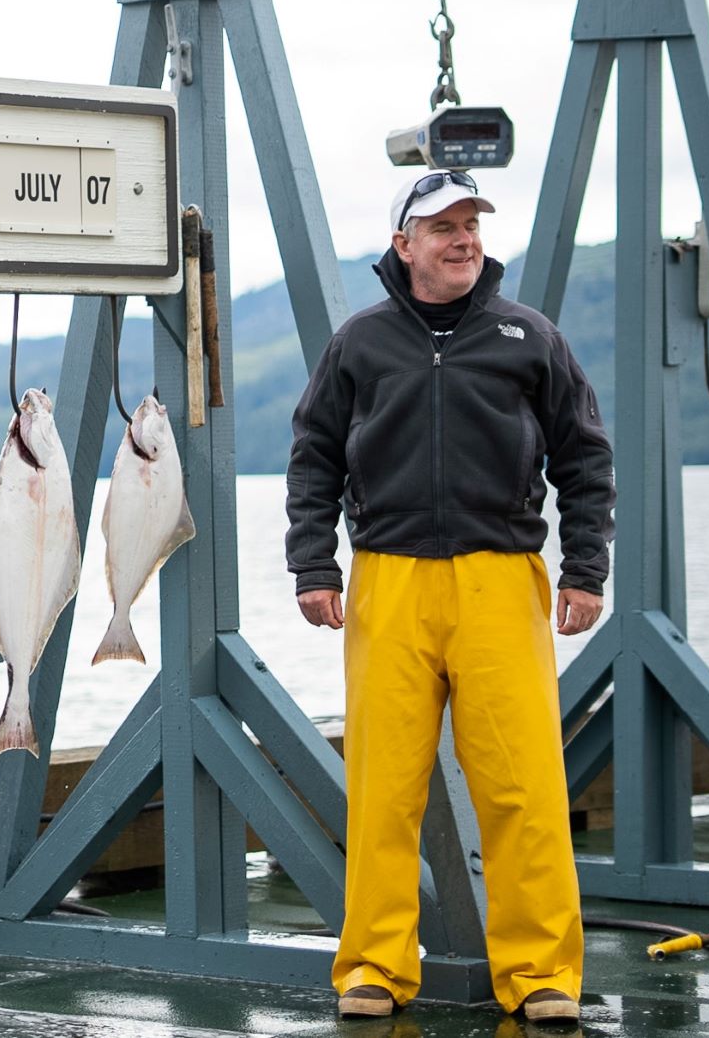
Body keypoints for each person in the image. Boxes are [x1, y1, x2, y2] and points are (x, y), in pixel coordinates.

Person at [285, 170, 615, 1025]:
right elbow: (315, 455)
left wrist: (585, 571)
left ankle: (541, 974)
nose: (464, 237)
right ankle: (373, 969)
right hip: (388, 579)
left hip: (501, 580)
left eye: (471, 223)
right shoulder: (359, 343)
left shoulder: (527, 336)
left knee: (525, 789)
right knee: (383, 788)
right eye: (443, 226)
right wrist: (313, 566)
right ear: (404, 245)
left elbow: (583, 460)